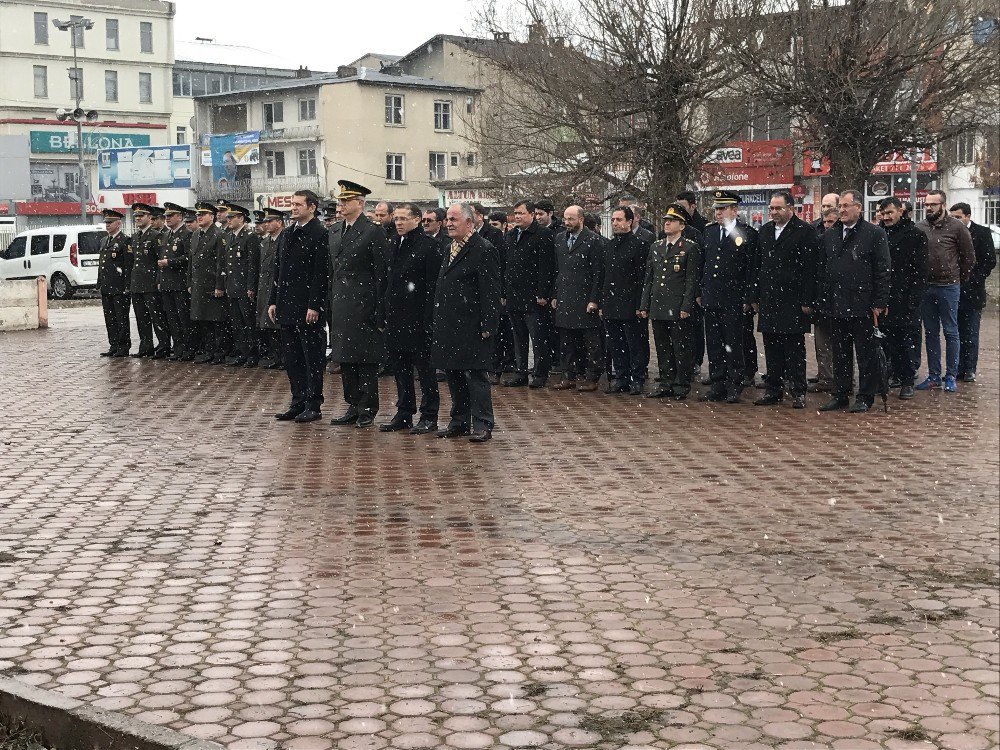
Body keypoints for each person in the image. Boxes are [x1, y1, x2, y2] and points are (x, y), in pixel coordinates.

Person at [431, 202, 501, 443]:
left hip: (472, 326)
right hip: (449, 324)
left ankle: (483, 423)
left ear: (470, 223)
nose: (448, 223)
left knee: (476, 376)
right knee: (454, 375)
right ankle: (459, 421)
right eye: (447, 219)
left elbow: (490, 292)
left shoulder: (483, 249)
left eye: (454, 219)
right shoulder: (449, 247)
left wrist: (488, 325)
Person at [816, 189, 891, 413]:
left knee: (866, 354)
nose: (842, 210)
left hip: (863, 304)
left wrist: (879, 301)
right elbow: (823, 270)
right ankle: (840, 394)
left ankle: (865, 396)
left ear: (858, 207)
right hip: (837, 304)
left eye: (846, 206)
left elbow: (883, 269)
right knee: (840, 353)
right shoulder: (830, 235)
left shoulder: (874, 234)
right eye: (840, 207)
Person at [327, 180, 390, 428]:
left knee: (364, 359)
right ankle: (352, 403)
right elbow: (330, 270)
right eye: (340, 201)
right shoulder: (334, 231)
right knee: (345, 357)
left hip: (364, 303)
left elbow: (381, 273)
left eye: (346, 201)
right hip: (340, 302)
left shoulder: (373, 231)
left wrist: (378, 308)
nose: (341, 205)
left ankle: (367, 407)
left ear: (360, 204)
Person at [750, 191, 817, 409]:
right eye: (771, 208)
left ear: (791, 208)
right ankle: (774, 389)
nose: (774, 212)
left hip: (793, 300)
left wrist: (808, 299)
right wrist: (754, 294)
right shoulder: (766, 231)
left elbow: (810, 269)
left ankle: (798, 391)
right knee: (772, 347)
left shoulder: (805, 231)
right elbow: (757, 264)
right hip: (770, 298)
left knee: (794, 348)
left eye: (778, 208)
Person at [380, 202, 443, 434]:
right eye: (396, 218)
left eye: (404, 218)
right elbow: (388, 280)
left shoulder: (430, 246)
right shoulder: (393, 243)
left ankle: (429, 415)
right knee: (401, 369)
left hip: (418, 318)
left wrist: (429, 321)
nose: (398, 223)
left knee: (425, 370)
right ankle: (404, 412)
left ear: (417, 220)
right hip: (396, 317)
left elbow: (432, 287)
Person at [268, 189, 330, 423]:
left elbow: (320, 274)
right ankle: (298, 400)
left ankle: (313, 403)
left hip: (307, 307)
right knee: (292, 357)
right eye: (292, 205)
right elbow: (278, 270)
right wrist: (273, 300)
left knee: (312, 357)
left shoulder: (319, 234)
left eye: (298, 205)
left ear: (312, 207)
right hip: (286, 305)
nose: (293, 208)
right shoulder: (287, 233)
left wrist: (314, 305)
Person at [698, 190, 758, 403]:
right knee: (714, 343)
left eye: (722, 208)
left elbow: (751, 269)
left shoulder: (747, 234)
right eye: (716, 209)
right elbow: (703, 264)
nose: (718, 213)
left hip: (734, 298)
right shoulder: (709, 232)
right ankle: (718, 383)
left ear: (735, 210)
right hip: (712, 296)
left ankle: (735, 384)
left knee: (733, 343)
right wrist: (701, 291)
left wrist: (748, 297)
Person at [915, 189, 975, 392]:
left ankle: (950, 375)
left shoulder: (957, 227)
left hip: (949, 286)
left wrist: (958, 277)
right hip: (926, 287)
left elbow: (968, 257)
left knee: (951, 331)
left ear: (943, 205)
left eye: (933, 204)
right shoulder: (920, 227)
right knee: (931, 332)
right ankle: (933, 376)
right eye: (926, 204)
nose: (929, 207)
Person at [640, 204, 701, 400]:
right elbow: (649, 278)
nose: (667, 223)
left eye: (672, 221)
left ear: (682, 226)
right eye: (666, 220)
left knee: (680, 347)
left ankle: (681, 384)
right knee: (662, 346)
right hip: (658, 303)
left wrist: (686, 306)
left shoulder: (690, 247)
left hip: (677, 305)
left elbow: (691, 280)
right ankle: (666, 382)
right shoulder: (656, 246)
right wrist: (644, 304)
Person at [877, 197, 929, 399]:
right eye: (883, 213)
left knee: (905, 341)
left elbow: (920, 271)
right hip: (883, 297)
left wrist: (913, 299)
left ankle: (907, 379)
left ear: (900, 211)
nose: (887, 217)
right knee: (885, 341)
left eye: (890, 213)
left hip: (905, 297)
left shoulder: (915, 235)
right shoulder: (878, 234)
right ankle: (889, 375)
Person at [502, 199, 556, 388]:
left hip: (534, 297)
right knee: (519, 338)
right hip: (514, 295)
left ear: (532, 215)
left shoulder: (543, 235)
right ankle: (521, 372)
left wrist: (543, 293)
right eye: (515, 213)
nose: (517, 217)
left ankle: (540, 374)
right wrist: (503, 291)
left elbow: (547, 266)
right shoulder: (510, 236)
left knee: (539, 338)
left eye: (521, 213)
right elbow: (505, 265)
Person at [550, 206, 604, 391]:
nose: (567, 223)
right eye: (565, 219)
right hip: (565, 295)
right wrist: (555, 294)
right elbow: (557, 268)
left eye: (571, 219)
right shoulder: (559, 239)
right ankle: (568, 375)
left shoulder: (593, 240)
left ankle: (592, 377)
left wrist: (594, 299)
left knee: (591, 341)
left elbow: (598, 273)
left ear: (581, 219)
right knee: (566, 340)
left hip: (585, 297)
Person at [602, 206, 651, 395]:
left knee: (635, 344)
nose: (615, 223)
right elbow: (604, 276)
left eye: (619, 220)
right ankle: (621, 377)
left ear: (629, 222)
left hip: (631, 304)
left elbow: (642, 279)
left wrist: (641, 304)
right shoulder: (609, 246)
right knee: (616, 344)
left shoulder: (640, 245)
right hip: (612, 304)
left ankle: (636, 379)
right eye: (613, 220)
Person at [949, 202, 995, 382]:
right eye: (952, 217)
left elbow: (989, 260)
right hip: (952, 289)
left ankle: (969, 368)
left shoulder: (982, 233)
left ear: (967, 216)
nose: (955, 221)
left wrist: (974, 278)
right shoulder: (949, 233)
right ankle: (956, 367)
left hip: (972, 291)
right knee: (954, 332)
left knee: (971, 332)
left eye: (958, 217)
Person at [215, 203, 261, 367]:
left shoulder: (250, 237)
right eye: (227, 217)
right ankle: (242, 352)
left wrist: (251, 287)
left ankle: (252, 354)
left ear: (241, 219)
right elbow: (225, 263)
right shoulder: (229, 237)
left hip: (244, 287)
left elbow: (252, 265)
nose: (228, 220)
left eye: (231, 217)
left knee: (248, 322)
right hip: (232, 287)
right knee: (237, 324)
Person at [472, 202, 512, 383]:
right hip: (473, 290)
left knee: (495, 332)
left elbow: (501, 264)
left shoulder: (494, 235)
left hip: (490, 287)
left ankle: (496, 367)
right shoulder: (466, 234)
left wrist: (501, 291)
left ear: (480, 216)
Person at [129, 202, 170, 358]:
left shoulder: (156, 236)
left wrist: (158, 281)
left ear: (149, 217)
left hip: (151, 284)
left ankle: (163, 346)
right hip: (137, 284)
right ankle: (145, 346)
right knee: (141, 318)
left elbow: (160, 261)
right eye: (136, 216)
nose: (138, 218)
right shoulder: (135, 237)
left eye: (141, 216)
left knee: (157, 317)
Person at [189, 202, 227, 364]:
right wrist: (190, 282)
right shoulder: (196, 234)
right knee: (203, 319)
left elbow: (221, 262)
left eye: (202, 214)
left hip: (211, 284)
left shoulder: (218, 235)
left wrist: (219, 285)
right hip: (199, 283)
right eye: (198, 215)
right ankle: (209, 350)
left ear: (211, 217)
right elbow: (192, 260)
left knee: (215, 320)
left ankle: (219, 352)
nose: (199, 217)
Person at [158, 202, 194, 361]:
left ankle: (188, 348)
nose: (168, 219)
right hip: (167, 283)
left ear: (179, 217)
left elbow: (188, 258)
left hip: (179, 282)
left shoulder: (186, 234)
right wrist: (160, 279)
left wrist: (170, 263)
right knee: (172, 318)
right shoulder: (166, 235)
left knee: (183, 318)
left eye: (171, 216)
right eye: (166, 216)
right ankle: (178, 347)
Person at [252, 208, 285, 370]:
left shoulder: (285, 239)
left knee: (278, 325)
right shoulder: (265, 242)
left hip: (278, 285)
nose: (266, 224)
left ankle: (284, 358)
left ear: (279, 223)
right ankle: (275, 356)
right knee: (267, 324)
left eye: (270, 221)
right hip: (265, 286)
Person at [97, 208, 133, 357]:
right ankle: (114, 344)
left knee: (121, 318)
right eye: (106, 222)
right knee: (109, 318)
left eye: (110, 222)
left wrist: (127, 286)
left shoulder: (125, 241)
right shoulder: (104, 240)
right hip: (107, 286)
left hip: (119, 287)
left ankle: (123, 346)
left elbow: (128, 265)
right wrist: (99, 284)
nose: (107, 225)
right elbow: (102, 264)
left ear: (119, 223)